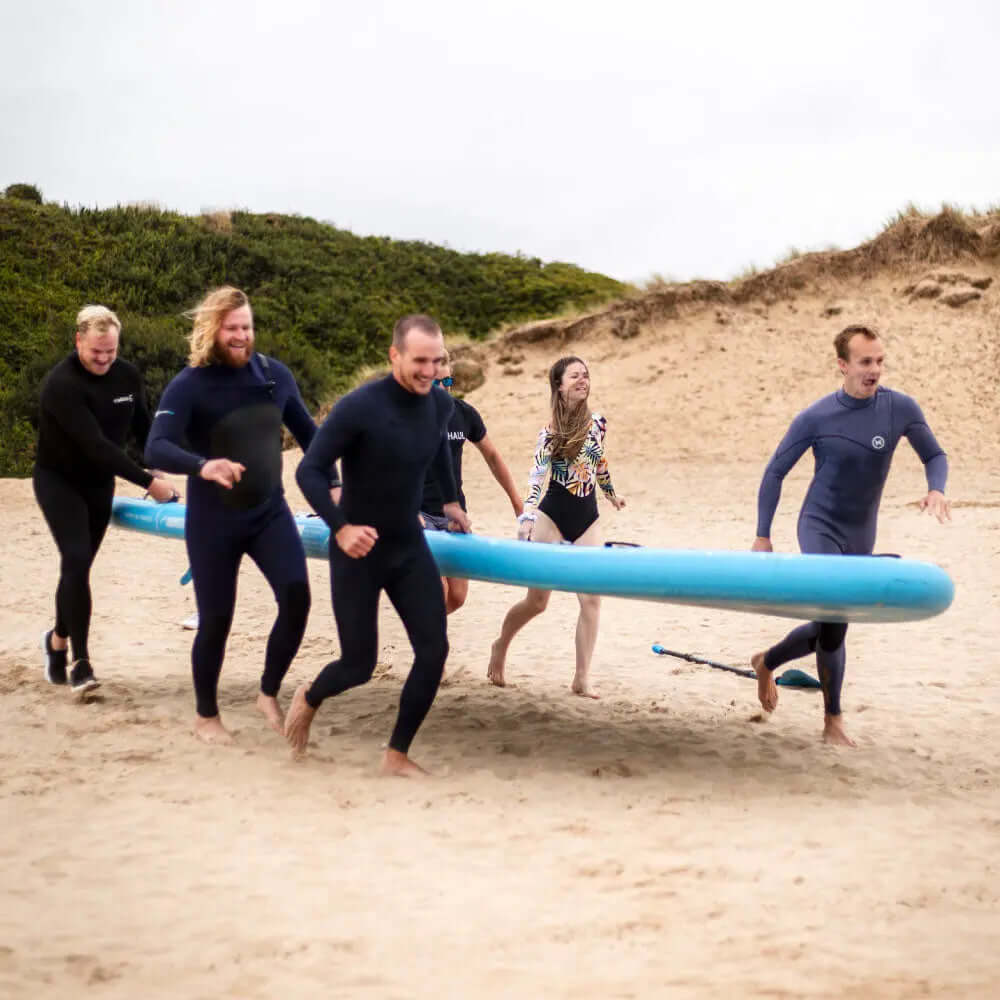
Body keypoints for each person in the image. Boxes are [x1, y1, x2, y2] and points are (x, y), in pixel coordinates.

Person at [145, 286, 338, 745]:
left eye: (247, 327)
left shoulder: (275, 375)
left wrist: (334, 482)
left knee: (296, 596)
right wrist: (203, 465)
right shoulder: (190, 384)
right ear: (213, 330)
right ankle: (206, 716)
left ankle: (267, 691)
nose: (241, 336)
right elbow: (156, 446)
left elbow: (312, 436)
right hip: (214, 520)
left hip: (268, 511)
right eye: (232, 328)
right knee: (217, 619)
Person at [284, 314, 471, 777]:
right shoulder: (360, 406)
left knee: (433, 651)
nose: (430, 371)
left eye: (437, 360)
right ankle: (309, 696)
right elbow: (308, 470)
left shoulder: (439, 407)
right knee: (358, 663)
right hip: (357, 551)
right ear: (395, 356)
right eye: (419, 361)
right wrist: (342, 528)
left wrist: (451, 503)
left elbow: (440, 454)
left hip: (407, 546)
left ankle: (396, 755)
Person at [750, 325, 951, 746]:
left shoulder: (900, 409)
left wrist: (937, 488)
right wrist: (763, 535)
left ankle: (767, 661)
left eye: (879, 360)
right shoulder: (817, 417)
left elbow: (933, 453)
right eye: (865, 362)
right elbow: (775, 471)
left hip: (862, 533)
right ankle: (833, 720)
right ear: (843, 365)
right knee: (836, 621)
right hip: (819, 525)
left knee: (829, 623)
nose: (875, 369)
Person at [34, 305, 177, 693]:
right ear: (79, 341)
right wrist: (148, 482)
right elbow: (96, 445)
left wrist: (158, 462)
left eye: (110, 351)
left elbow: (143, 426)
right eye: (96, 351)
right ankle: (81, 662)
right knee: (76, 559)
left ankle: (56, 640)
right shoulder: (61, 384)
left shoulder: (127, 376)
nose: (103, 359)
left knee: (78, 570)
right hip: (59, 481)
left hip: (99, 485)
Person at [487, 355, 625, 698]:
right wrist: (528, 515)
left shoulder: (598, 424)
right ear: (559, 387)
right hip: (552, 515)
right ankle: (500, 645)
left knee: (591, 599)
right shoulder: (549, 433)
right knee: (537, 601)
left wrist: (610, 493)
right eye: (575, 376)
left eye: (586, 375)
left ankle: (581, 678)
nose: (583, 380)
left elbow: (600, 461)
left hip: (587, 517)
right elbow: (536, 477)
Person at [420, 350, 523, 613]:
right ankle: (429, 641)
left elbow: (492, 456)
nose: (442, 388)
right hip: (418, 514)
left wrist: (516, 501)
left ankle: (424, 627)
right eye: (436, 383)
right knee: (437, 591)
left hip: (455, 515)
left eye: (447, 382)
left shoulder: (464, 414)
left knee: (457, 597)